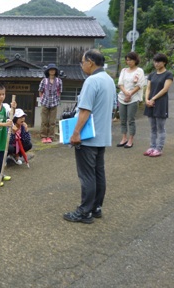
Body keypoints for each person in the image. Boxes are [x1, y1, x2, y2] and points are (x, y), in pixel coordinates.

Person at [63, 49, 116, 224]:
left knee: (87, 175)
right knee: (98, 173)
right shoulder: (109, 80)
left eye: (82, 61)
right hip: (103, 135)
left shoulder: (92, 81)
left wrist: (76, 132)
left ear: (91, 62)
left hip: (88, 137)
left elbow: (85, 110)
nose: (81, 65)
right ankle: (96, 208)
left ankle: (84, 212)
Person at [143, 53, 174, 157]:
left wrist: (153, 98)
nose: (156, 63)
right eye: (155, 61)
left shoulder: (168, 74)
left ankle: (159, 148)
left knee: (160, 127)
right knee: (152, 127)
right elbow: (148, 88)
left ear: (164, 62)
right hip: (150, 103)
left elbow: (165, 89)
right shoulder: (152, 74)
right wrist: (146, 99)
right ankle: (152, 146)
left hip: (160, 103)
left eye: (158, 61)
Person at [116, 52, 145, 148]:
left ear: (135, 60)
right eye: (127, 60)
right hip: (122, 97)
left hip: (133, 98)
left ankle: (131, 139)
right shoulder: (124, 70)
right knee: (122, 119)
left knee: (131, 119)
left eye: (130, 60)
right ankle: (124, 138)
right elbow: (120, 83)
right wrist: (125, 93)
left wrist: (130, 94)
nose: (128, 62)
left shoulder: (139, 71)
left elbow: (140, 85)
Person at [38, 63, 63, 143]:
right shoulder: (44, 80)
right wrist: (42, 99)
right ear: (48, 71)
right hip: (45, 102)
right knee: (44, 121)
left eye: (54, 70)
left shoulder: (59, 81)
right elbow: (40, 91)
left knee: (52, 122)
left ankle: (51, 137)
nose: (52, 71)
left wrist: (57, 99)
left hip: (54, 103)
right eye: (50, 70)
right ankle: (43, 136)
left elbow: (60, 91)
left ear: (56, 71)